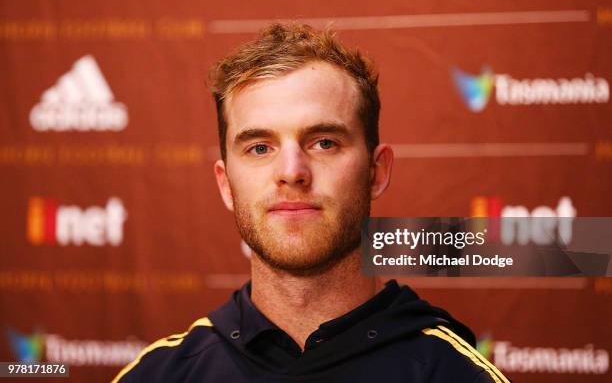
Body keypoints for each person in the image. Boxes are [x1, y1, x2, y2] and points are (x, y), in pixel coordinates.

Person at [113, 23, 510, 383]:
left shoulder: (454, 374)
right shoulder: (156, 374)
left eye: (323, 142)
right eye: (259, 147)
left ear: (377, 171)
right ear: (226, 184)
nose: (292, 171)